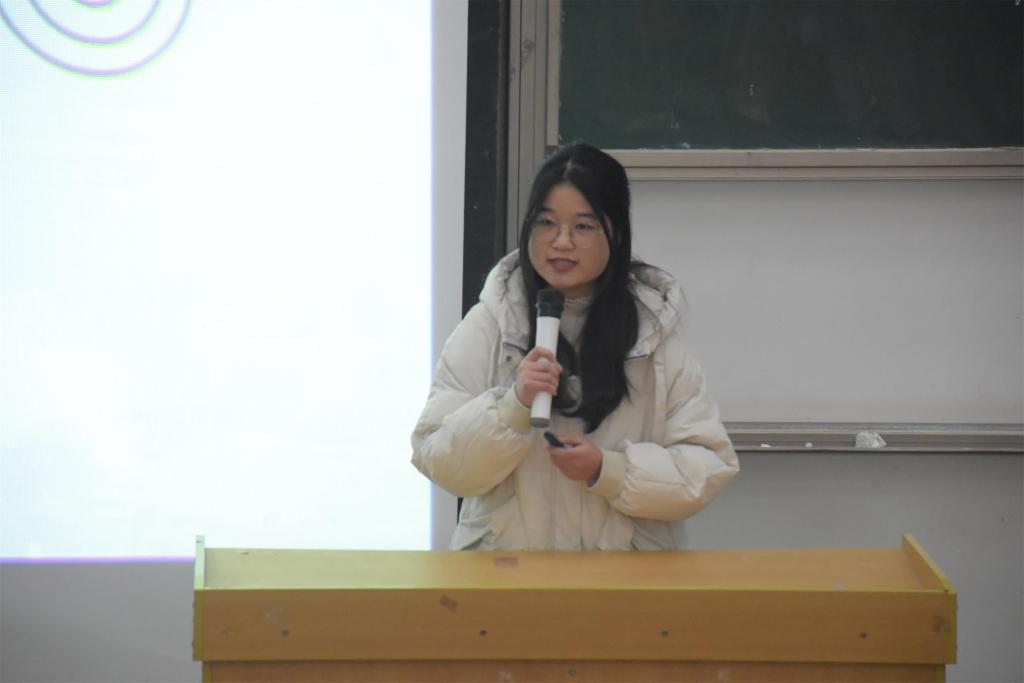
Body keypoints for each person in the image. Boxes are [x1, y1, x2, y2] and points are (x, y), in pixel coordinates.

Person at [411, 143, 738, 551]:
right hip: (509, 577)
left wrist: (609, 471)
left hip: (622, 580)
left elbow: (706, 467)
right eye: (547, 222)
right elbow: (439, 460)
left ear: (616, 233)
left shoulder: (651, 333)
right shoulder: (491, 324)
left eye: (583, 226)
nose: (561, 242)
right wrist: (513, 405)